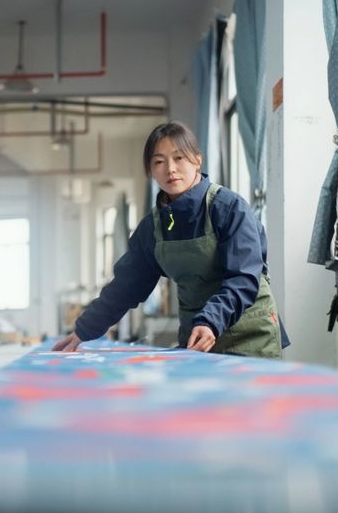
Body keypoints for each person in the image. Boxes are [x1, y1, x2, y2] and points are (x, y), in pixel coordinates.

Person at [53, 121, 288, 357]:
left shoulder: (229, 208)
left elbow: (244, 278)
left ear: (197, 160)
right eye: (158, 162)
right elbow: (125, 287)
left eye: (179, 158)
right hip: (196, 338)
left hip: (250, 334)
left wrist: (210, 321)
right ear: (151, 171)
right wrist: (83, 330)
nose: (170, 169)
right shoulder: (152, 228)